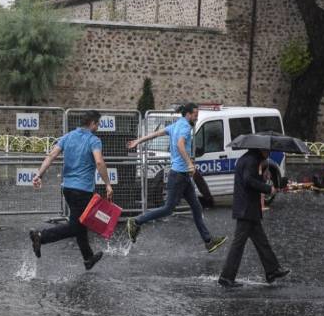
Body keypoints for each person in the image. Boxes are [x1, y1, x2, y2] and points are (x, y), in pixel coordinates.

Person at [125, 103, 227, 253]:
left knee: (197, 207)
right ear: (187, 114)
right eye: (195, 114)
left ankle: (208, 241)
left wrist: (138, 141)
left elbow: (156, 133)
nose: (196, 117)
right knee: (168, 209)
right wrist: (190, 164)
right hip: (179, 175)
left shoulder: (176, 125)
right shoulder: (185, 127)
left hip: (183, 176)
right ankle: (136, 221)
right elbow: (180, 145)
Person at [28, 110, 113, 270]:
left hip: (67, 188)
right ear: (93, 123)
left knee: (80, 224)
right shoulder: (94, 140)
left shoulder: (67, 137)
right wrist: (107, 183)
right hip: (83, 190)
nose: (99, 127)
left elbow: (51, 155)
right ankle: (41, 236)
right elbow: (99, 163)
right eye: (98, 124)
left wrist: (39, 174)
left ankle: (88, 258)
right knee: (76, 226)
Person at [218, 149, 290, 288]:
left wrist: (262, 177)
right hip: (246, 209)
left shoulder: (249, 158)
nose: (268, 153)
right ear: (261, 149)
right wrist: (268, 188)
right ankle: (226, 277)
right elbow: (248, 180)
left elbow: (250, 179)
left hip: (248, 209)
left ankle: (272, 271)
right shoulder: (252, 160)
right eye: (267, 151)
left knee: (261, 241)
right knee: (238, 245)